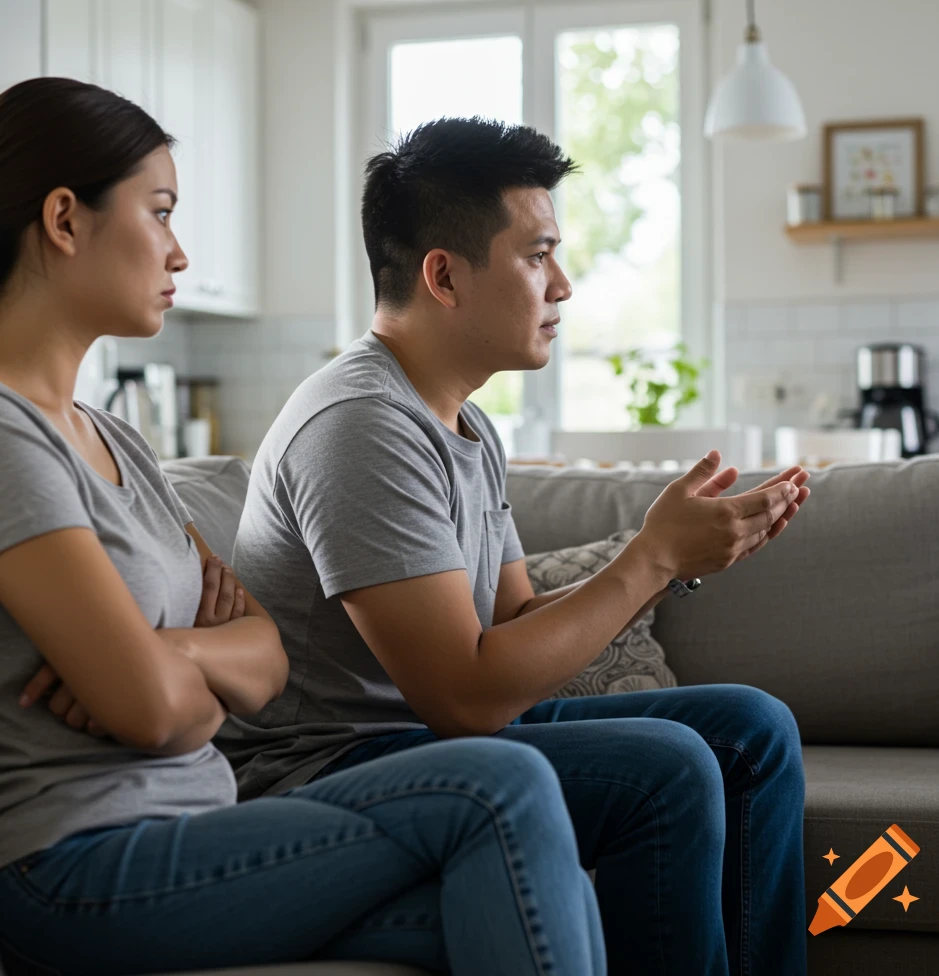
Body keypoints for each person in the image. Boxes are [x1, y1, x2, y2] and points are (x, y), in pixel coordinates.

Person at [0, 80, 606, 976]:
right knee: (501, 783)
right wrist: (179, 665)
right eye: (160, 211)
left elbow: (261, 661)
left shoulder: (115, 440)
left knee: (529, 891)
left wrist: (171, 655)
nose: (179, 252)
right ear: (65, 219)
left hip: (201, 830)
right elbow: (150, 711)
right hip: (68, 868)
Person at [231, 117, 813, 976]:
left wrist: (675, 562)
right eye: (537, 256)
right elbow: (465, 697)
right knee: (668, 767)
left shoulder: (465, 420)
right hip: (330, 762)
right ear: (444, 276)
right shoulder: (357, 424)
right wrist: (648, 557)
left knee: (752, 730)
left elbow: (517, 626)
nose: (564, 286)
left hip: (423, 736)